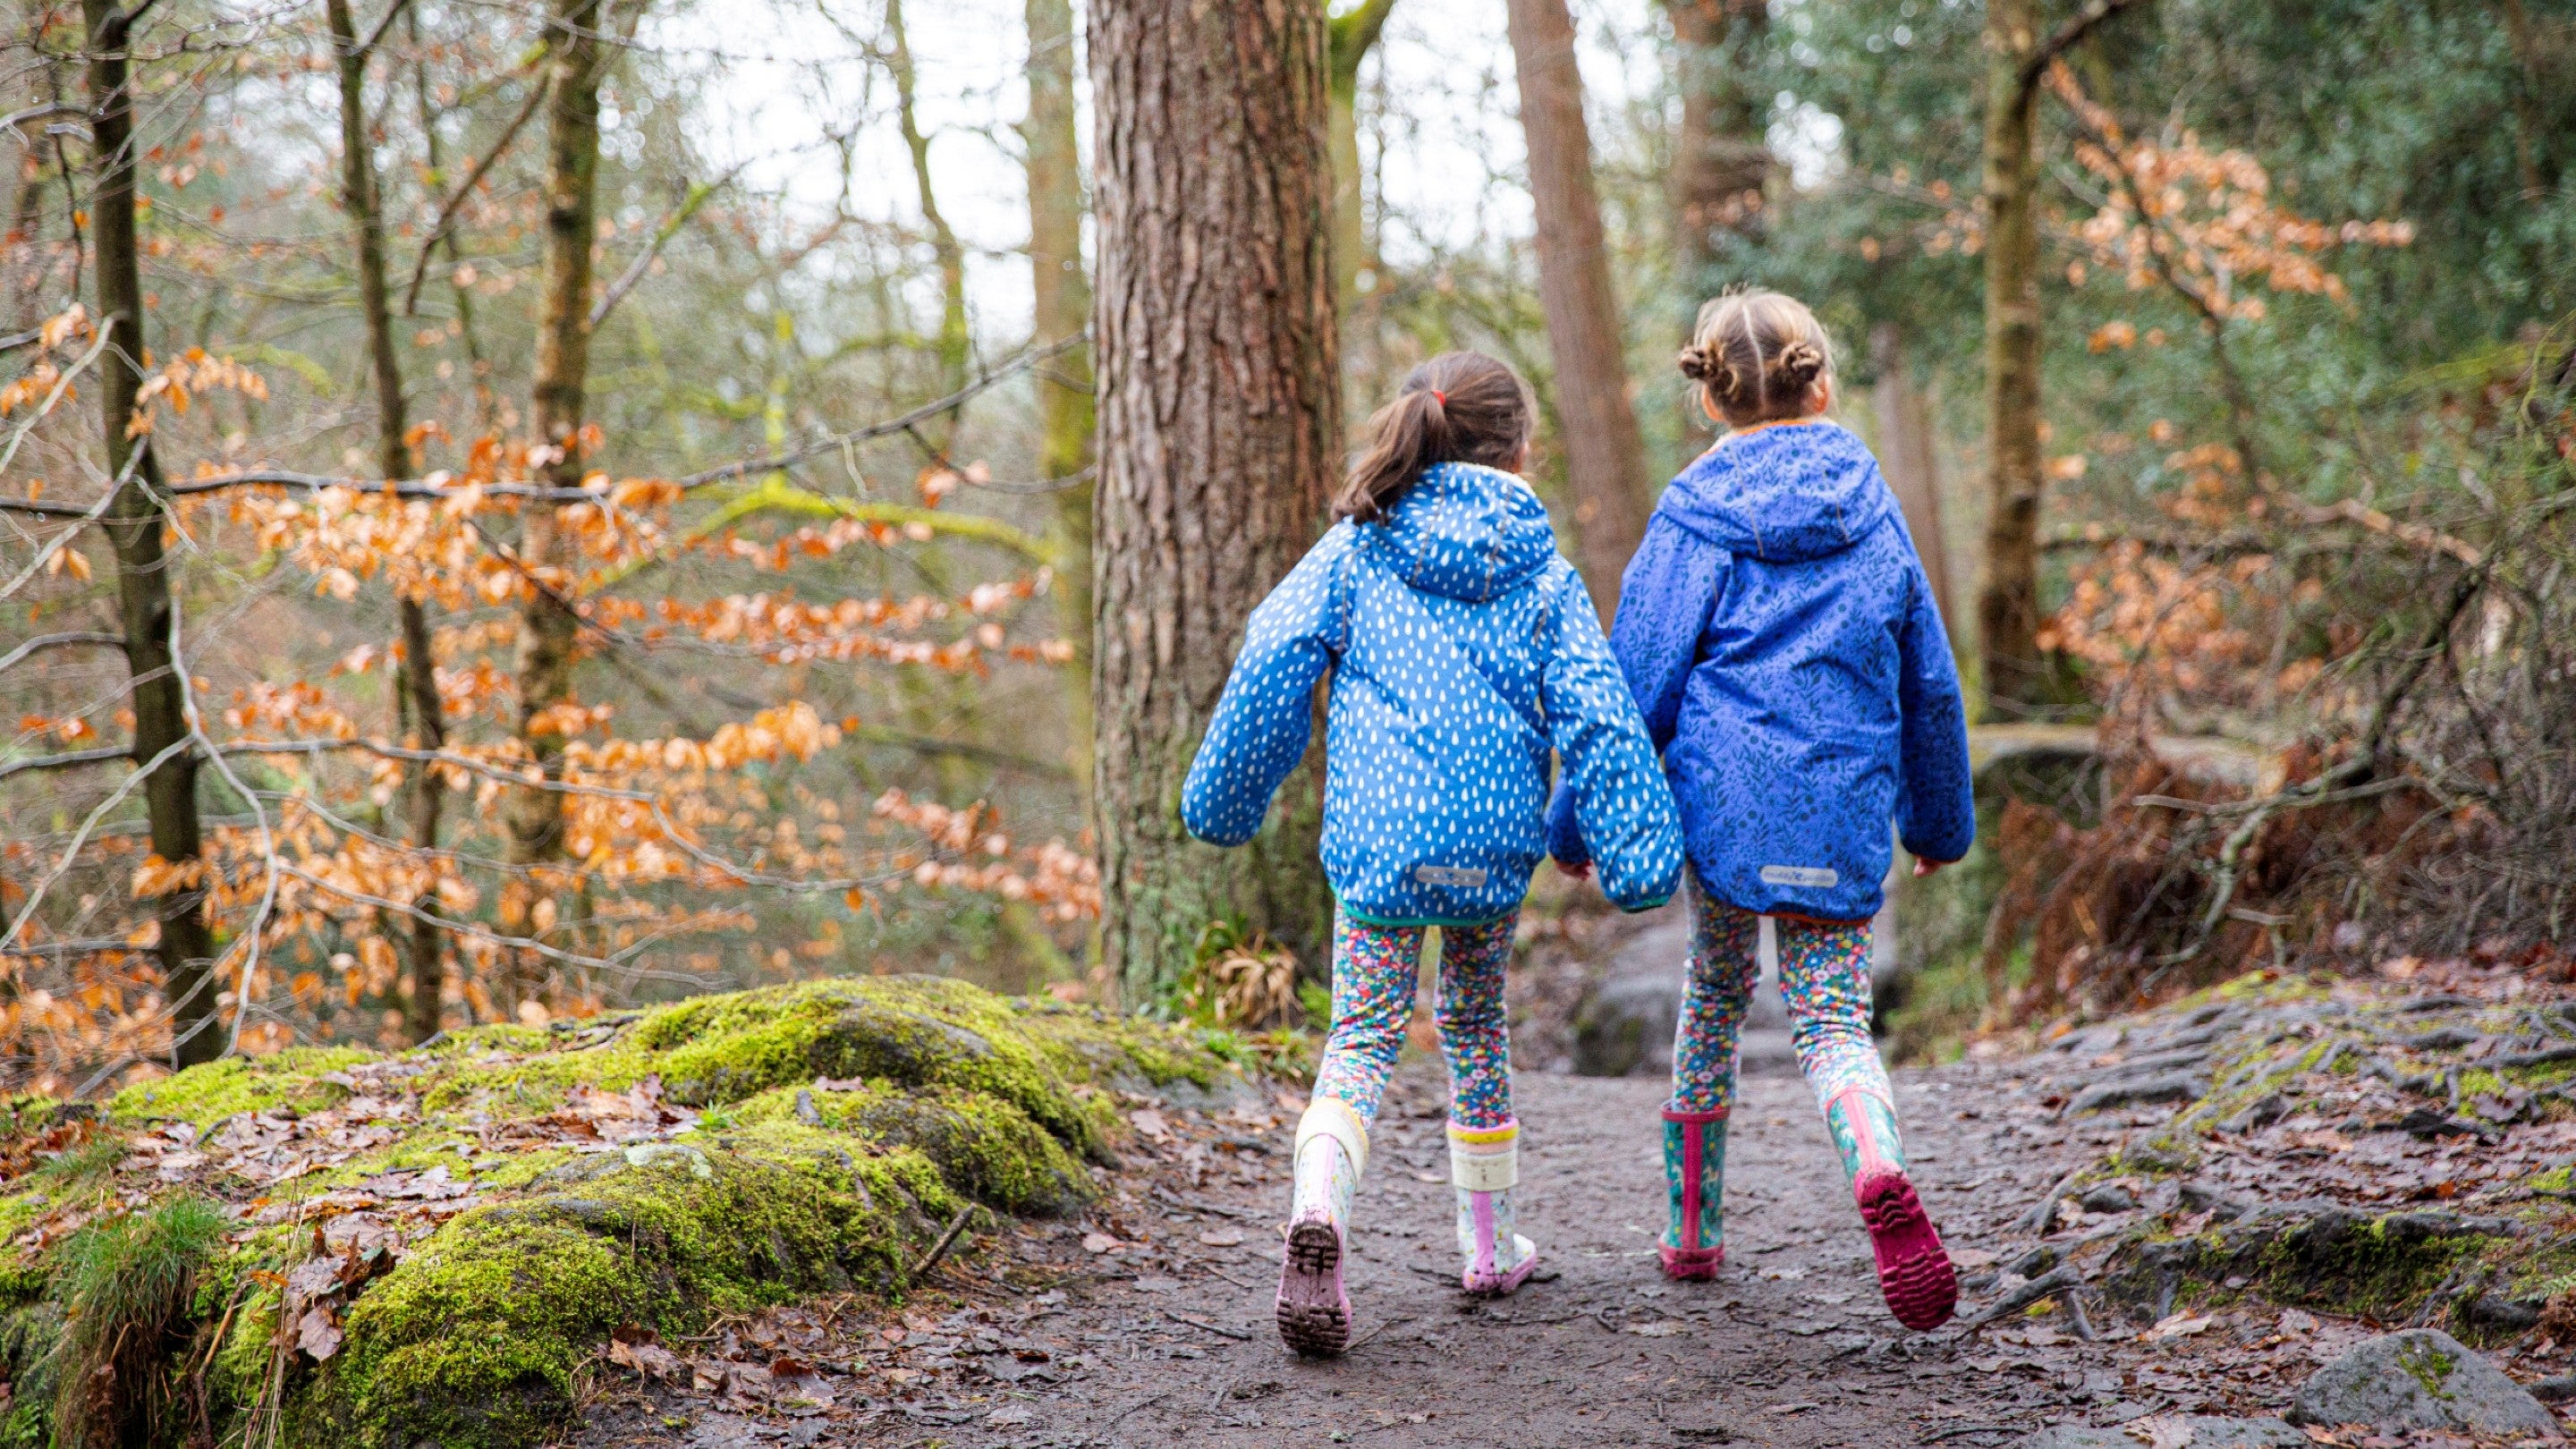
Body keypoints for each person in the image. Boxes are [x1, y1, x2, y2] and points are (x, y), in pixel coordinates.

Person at [1182, 351, 1681, 1358]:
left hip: (1378, 842)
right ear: (1521, 450)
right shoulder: (1540, 569)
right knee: (1473, 1024)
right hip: (1491, 848)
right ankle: (1489, 1246)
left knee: (1361, 1037)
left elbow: (1270, 659)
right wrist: (1637, 854)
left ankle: (1318, 1207)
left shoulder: (1354, 551)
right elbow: (1598, 711)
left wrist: (1226, 800)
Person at [1550, 288, 1975, 1332]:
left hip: (1728, 813)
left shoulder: (1692, 518)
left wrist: (1572, 824)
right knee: (1834, 1021)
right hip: (1839, 809)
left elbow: (1633, 686)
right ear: (1819, 382)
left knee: (1715, 996)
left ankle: (1692, 1233)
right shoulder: (1871, 508)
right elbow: (1929, 681)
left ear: (1709, 401)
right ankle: (1875, 1159)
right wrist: (1936, 823)